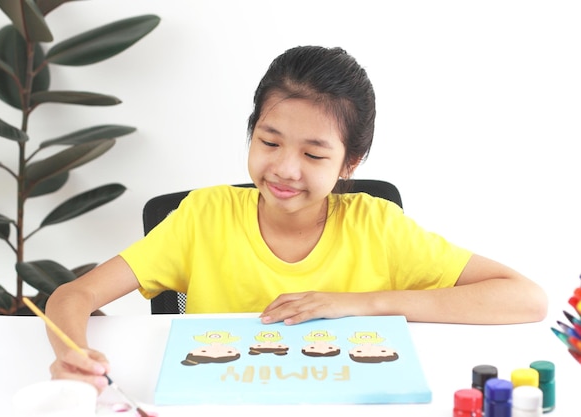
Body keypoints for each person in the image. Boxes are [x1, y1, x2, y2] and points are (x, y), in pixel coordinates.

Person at [45, 45, 547, 393]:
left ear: (350, 164)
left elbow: (525, 297)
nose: (285, 168)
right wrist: (72, 355)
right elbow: (73, 295)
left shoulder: (379, 227)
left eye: (313, 153)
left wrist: (363, 304)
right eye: (269, 142)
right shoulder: (202, 217)